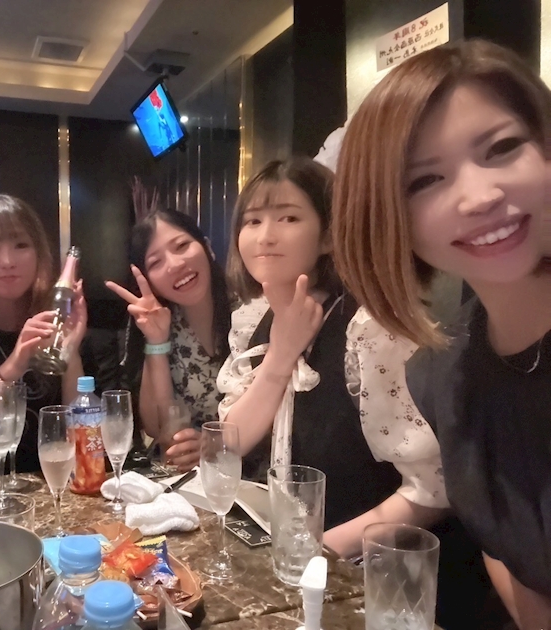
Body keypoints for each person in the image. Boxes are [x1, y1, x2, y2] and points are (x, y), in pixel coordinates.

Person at [332, 39, 551, 628]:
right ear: (388, 218)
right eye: (426, 180)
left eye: (502, 148)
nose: (480, 197)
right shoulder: (441, 374)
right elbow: (504, 545)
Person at [217, 157, 447, 558]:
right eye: (252, 221)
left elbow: (433, 489)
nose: (265, 236)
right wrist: (281, 355)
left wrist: (319, 552)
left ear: (328, 237)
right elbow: (231, 441)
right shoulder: (252, 319)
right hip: (279, 551)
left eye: (288, 218)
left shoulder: (371, 327)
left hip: (363, 566)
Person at [0, 195, 87, 473]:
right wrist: (15, 364)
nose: (7, 261)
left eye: (21, 245)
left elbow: (81, 427)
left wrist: (70, 349)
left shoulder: (57, 323)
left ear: (39, 252)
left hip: (52, 482)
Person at [106, 209, 231, 472]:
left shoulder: (249, 311)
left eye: (182, 246)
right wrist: (156, 341)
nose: (174, 265)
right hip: (183, 476)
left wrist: (213, 444)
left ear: (207, 247)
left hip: (247, 474)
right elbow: (157, 428)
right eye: (156, 262)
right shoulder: (158, 321)